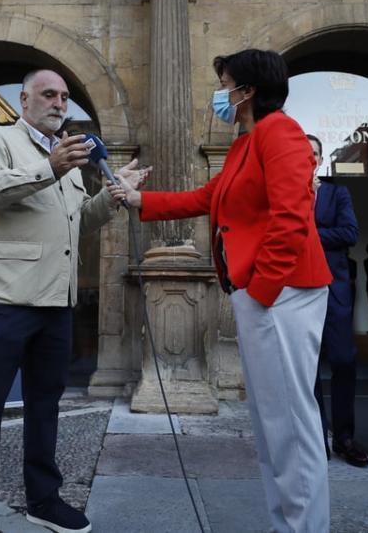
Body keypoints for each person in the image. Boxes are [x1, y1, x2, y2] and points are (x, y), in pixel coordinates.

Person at [120, 49, 333, 532]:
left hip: (282, 293)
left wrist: (260, 289)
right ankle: (288, 525)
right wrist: (137, 199)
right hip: (261, 293)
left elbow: (291, 217)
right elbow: (206, 199)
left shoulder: (280, 132)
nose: (221, 94)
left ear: (248, 91)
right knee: (272, 423)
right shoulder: (245, 143)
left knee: (291, 425)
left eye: (226, 84)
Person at [0, 69, 142, 533]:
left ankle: (43, 500)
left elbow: (75, 224)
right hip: (3, 299)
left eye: (64, 97)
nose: (59, 103)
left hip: (56, 302)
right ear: (24, 99)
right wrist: (50, 167)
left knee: (45, 406)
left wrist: (112, 198)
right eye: (48, 95)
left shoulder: (71, 157)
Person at [308, 134, 368, 468]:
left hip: (334, 289)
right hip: (296, 291)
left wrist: (305, 235)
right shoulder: (284, 194)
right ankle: (316, 434)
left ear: (319, 159)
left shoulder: (336, 193)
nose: (308, 158)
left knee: (343, 360)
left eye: (314, 153)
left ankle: (344, 436)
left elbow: (349, 233)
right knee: (307, 366)